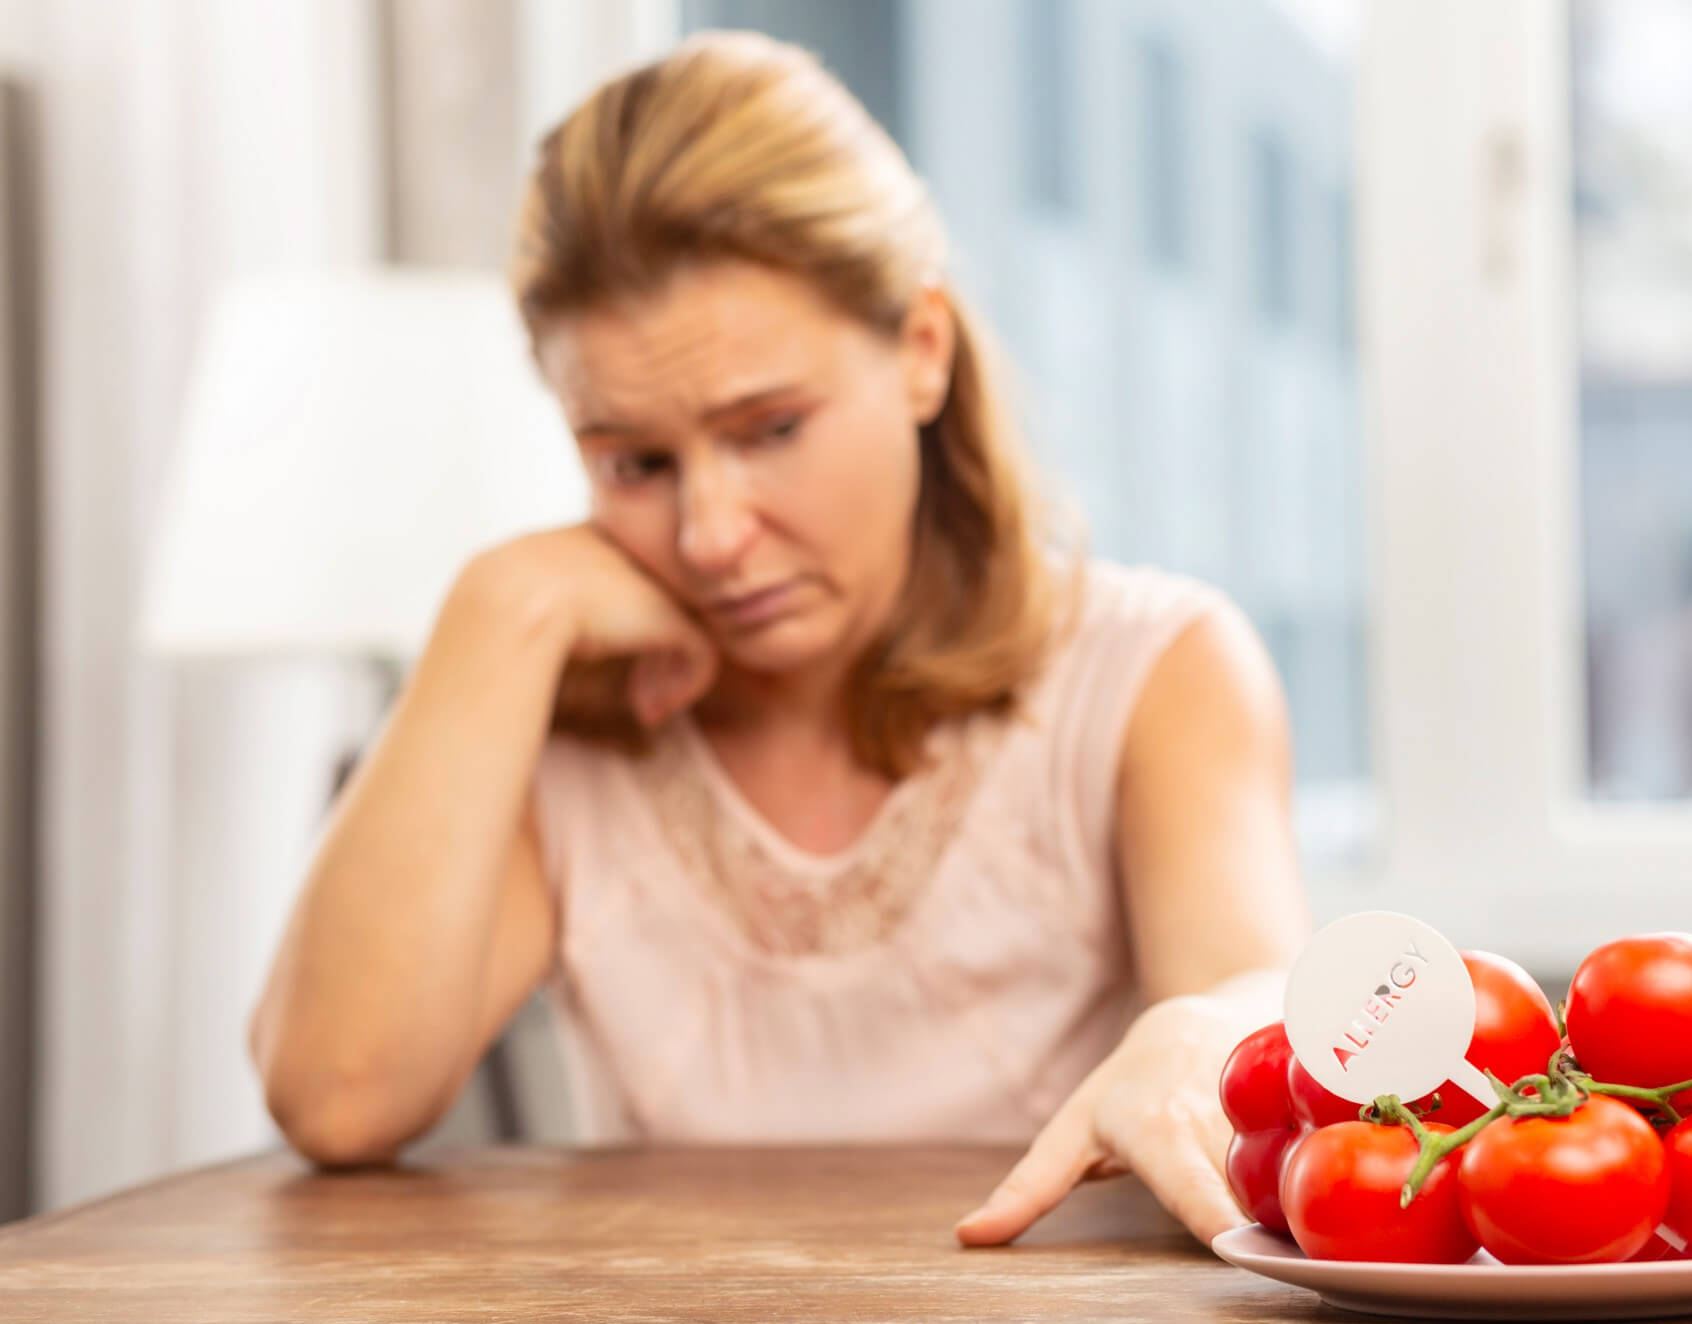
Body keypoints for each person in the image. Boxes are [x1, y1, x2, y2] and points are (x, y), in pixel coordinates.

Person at [247, 30, 1310, 1248]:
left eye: (767, 430)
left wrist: (1204, 1028)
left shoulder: (1153, 668)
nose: (708, 533)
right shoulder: (567, 735)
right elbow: (337, 1096)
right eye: (633, 462)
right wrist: (499, 610)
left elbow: (1250, 996)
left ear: (920, 351)